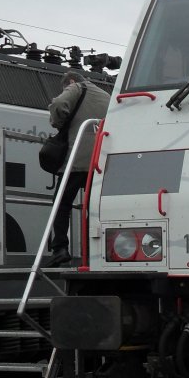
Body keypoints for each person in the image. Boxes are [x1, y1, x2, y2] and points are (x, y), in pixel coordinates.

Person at [44, 70, 110, 267]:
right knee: (93, 207)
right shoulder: (105, 95)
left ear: (71, 81)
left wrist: (58, 123)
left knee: (61, 203)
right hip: (100, 162)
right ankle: (93, 251)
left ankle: (60, 248)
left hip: (77, 159)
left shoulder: (75, 87)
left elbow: (58, 105)